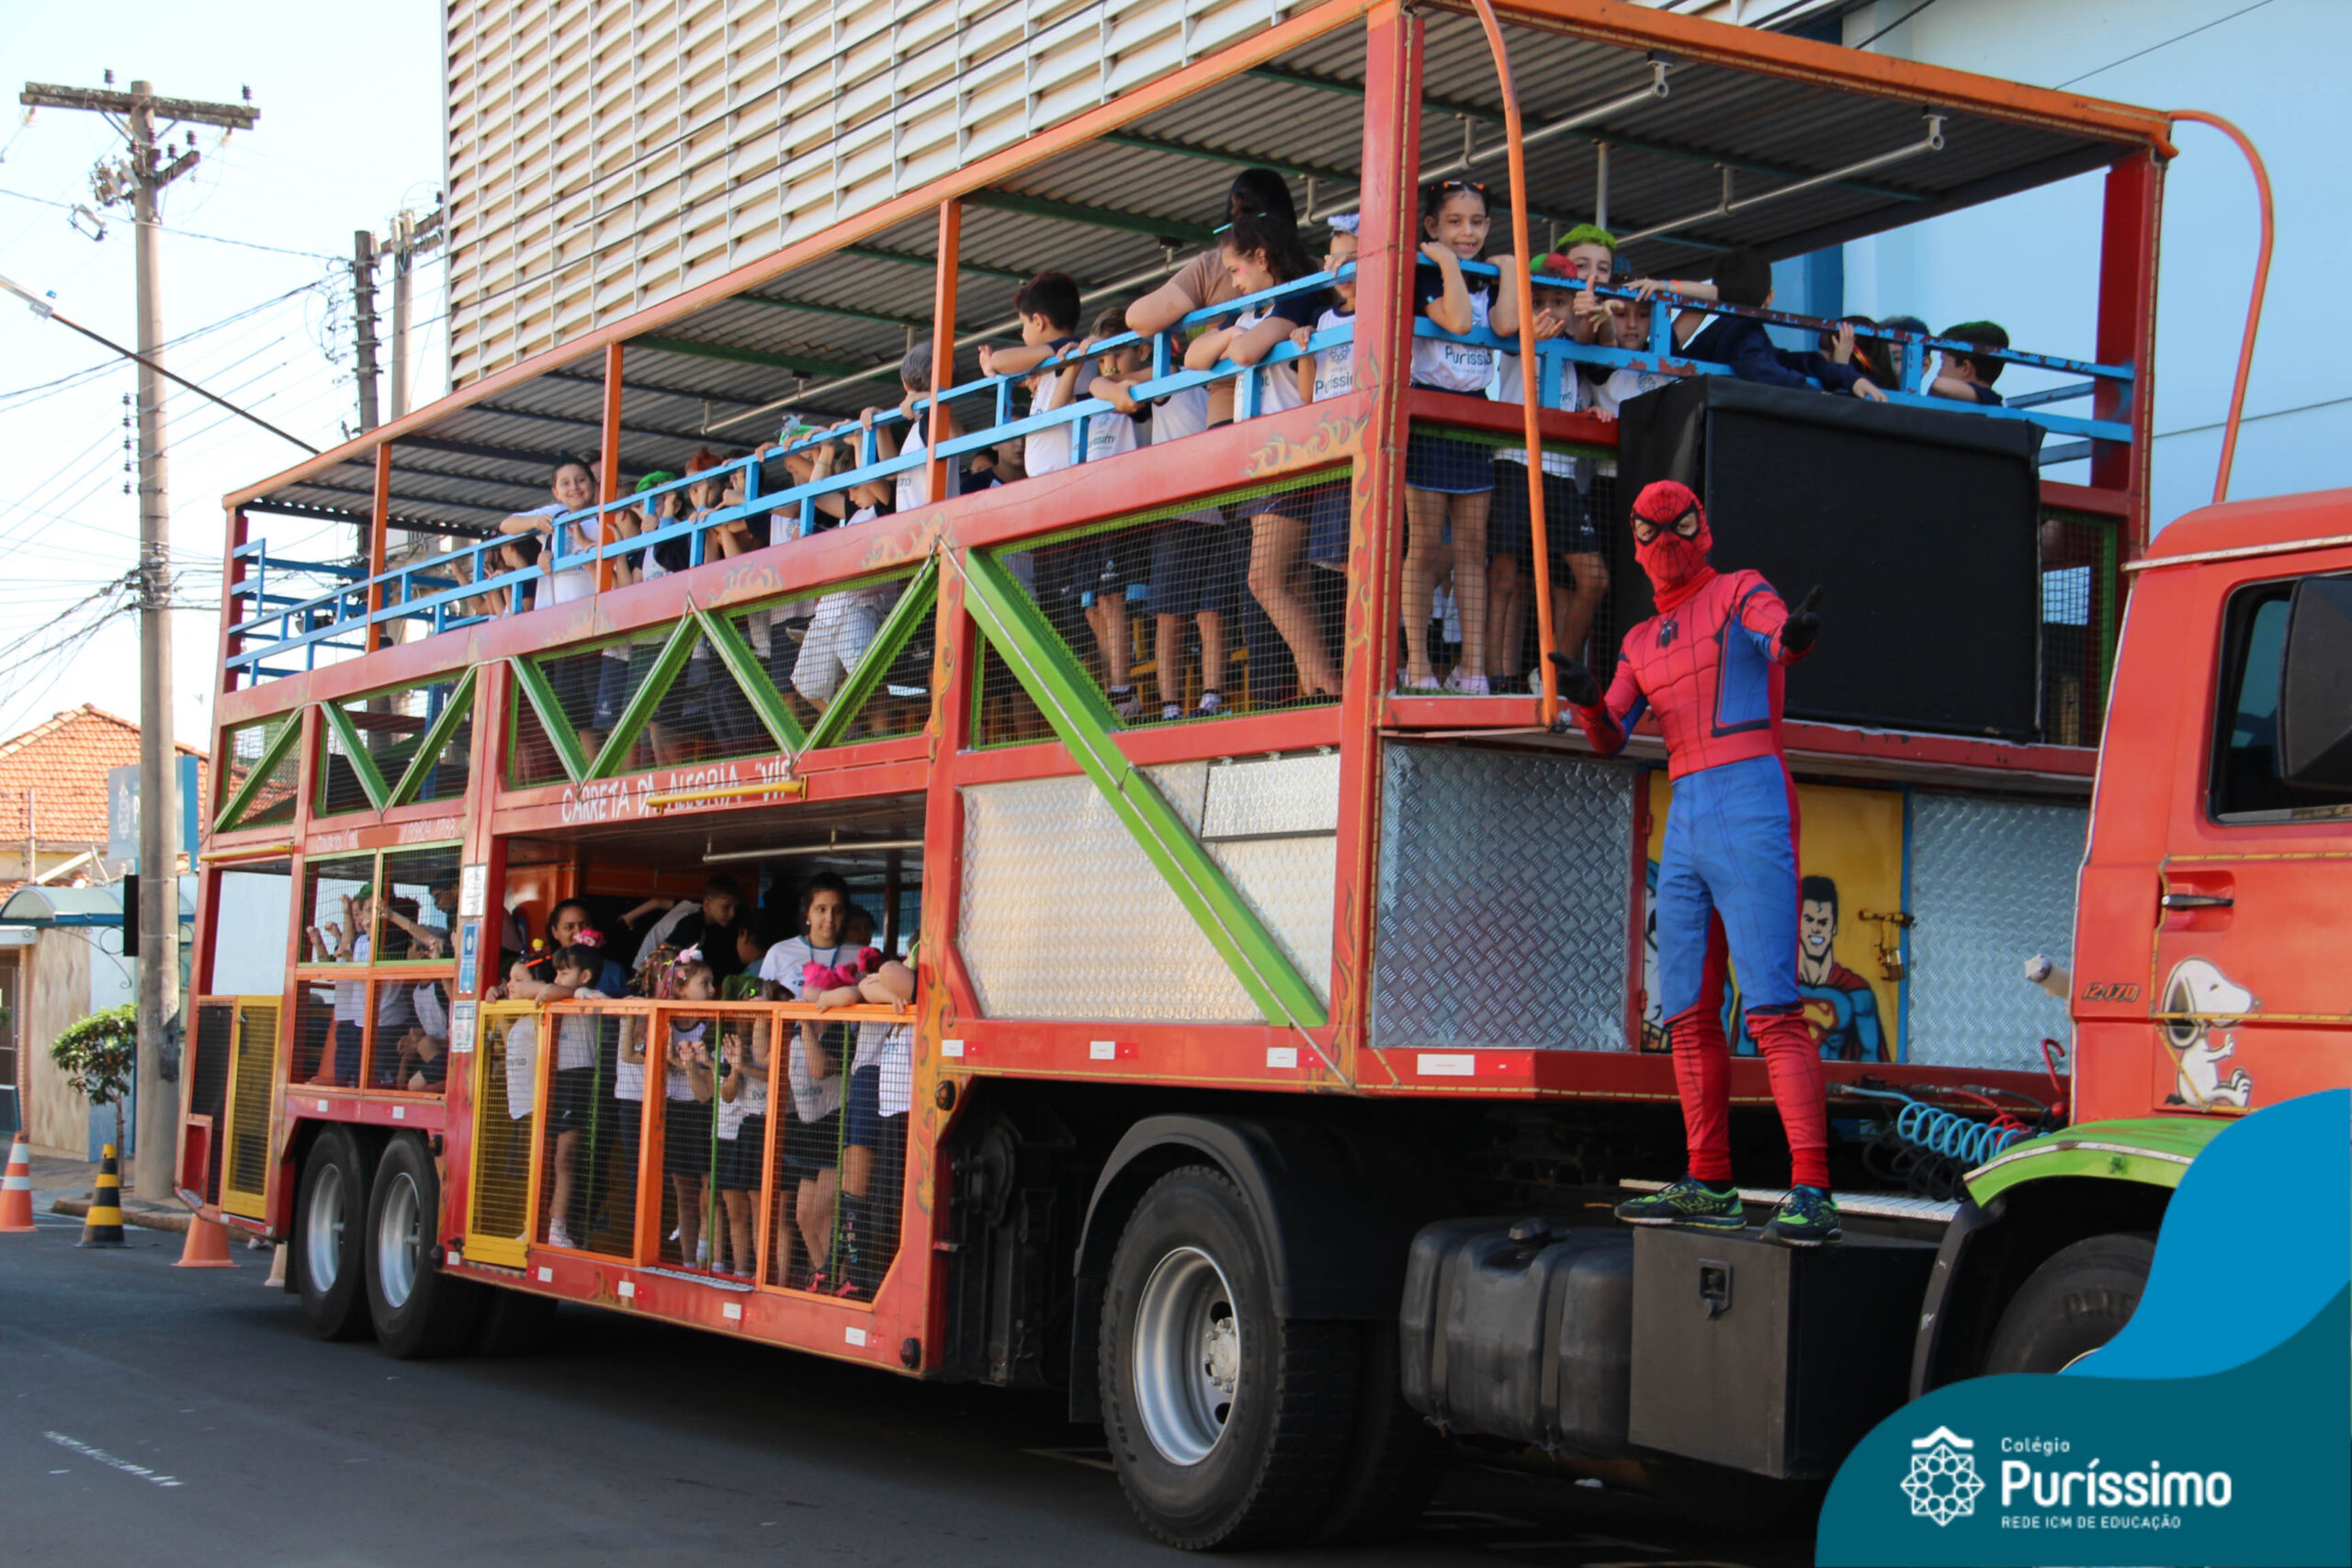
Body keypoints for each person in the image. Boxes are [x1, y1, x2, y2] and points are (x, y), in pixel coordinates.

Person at [1551, 479, 1840, 1247]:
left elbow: (1776, 636)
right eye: (1652, 529)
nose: (1665, 542)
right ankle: (1709, 1177)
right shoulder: (1641, 640)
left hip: (1746, 798)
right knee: (1686, 1011)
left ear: (1700, 527)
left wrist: (1798, 637)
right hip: (1689, 811)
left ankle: (1812, 1185)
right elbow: (1612, 732)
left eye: (1676, 526)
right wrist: (1584, 697)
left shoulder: (1742, 590)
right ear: (1639, 539)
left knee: (1773, 1006)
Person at [1186, 213, 1339, 701]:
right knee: (1290, 579)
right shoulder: (1247, 308)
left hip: (1293, 449)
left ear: (1262, 257)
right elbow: (1194, 357)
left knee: (1264, 579)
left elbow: (1246, 353)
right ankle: (1315, 685)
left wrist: (1233, 341)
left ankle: (1330, 685)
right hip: (1260, 455)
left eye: (1235, 269)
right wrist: (1231, 338)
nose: (1232, 281)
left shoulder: (1297, 296)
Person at [1401, 178, 1520, 695]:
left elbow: (1507, 322)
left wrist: (1511, 268)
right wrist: (1448, 264)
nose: (1466, 232)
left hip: (1474, 414)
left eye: (1476, 222)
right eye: (1454, 222)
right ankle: (1419, 665)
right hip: (1427, 409)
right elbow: (1453, 317)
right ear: (1432, 227)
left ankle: (1474, 668)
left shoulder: (1490, 274)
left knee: (1473, 546)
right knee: (1425, 546)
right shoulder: (1427, 272)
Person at [1488, 238, 1611, 686]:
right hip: (1513, 461)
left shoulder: (1578, 348)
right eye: (1537, 299)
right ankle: (1491, 679)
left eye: (1559, 300)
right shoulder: (1511, 335)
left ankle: (1557, 675)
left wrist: (1588, 413)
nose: (1548, 309)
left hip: (1559, 472)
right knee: (1503, 576)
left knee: (1592, 578)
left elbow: (1587, 381)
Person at [1125, 168, 1300, 430]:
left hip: (1229, 414)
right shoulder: (1312, 267)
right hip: (1293, 415)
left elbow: (1139, 319)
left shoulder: (1214, 266)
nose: (1234, 281)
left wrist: (1220, 343)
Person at [757, 874, 859, 1288]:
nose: (828, 918)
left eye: (836, 910)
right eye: (820, 909)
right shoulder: (780, 954)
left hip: (838, 1092)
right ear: (806, 914)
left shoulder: (860, 955)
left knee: (827, 1211)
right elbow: (763, 1012)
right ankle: (826, 1279)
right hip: (799, 1100)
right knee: (802, 1214)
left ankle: (841, 1283)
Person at [1632, 250, 1885, 400]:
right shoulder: (1742, 329)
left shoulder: (1724, 329)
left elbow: (1787, 362)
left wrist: (1845, 375)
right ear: (1770, 298)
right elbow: (1758, 366)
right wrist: (1815, 396)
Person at [498, 457, 611, 753]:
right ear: (556, 491)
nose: (575, 487)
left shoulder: (605, 517)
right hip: (559, 635)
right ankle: (590, 784)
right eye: (566, 483)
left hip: (596, 628)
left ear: (594, 484)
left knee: (605, 715)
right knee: (576, 717)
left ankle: (610, 782)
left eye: (581, 480)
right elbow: (507, 524)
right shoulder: (555, 515)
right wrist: (536, 524)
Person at [830, 943, 916, 1299]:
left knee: (884, 1190)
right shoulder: (884, 985)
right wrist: (883, 993)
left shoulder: (919, 988)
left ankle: (867, 1272)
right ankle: (849, 1269)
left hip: (895, 1092)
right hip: (871, 1084)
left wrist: (892, 990)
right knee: (855, 1183)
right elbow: (862, 988)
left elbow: (893, 983)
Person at [1296, 216, 1360, 575]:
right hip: (1331, 447)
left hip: (1364, 443)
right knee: (1342, 559)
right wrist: (1306, 348)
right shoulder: (1321, 320)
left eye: (1355, 258)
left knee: (1367, 552)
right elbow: (1308, 395)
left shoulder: (1385, 307)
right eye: (1337, 259)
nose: (1344, 268)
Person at [539, 942, 607, 1251]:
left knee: (565, 1157)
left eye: (564, 972)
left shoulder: (588, 995)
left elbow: (601, 1001)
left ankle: (558, 1227)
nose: (557, 977)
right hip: (554, 1076)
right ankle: (538, 1223)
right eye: (556, 971)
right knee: (546, 1156)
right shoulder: (565, 992)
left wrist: (572, 992)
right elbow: (536, 991)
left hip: (580, 1076)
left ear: (585, 976)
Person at [659, 954, 721, 1268]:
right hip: (675, 1111)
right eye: (704, 984)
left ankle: (708, 1256)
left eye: (712, 983)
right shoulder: (664, 1023)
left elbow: (708, 1086)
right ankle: (687, 1262)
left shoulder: (713, 1026)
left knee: (709, 1192)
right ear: (680, 990)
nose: (712, 990)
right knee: (684, 1192)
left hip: (706, 1112)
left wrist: (686, 1065)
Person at [1796, 876, 1888, 1063]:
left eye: (1823, 922)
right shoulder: (1770, 986)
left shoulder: (1858, 992)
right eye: (1809, 920)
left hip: (1835, 1089)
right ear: (1797, 924)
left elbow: (1872, 1059)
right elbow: (1745, 1053)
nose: (1816, 928)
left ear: (1834, 927)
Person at [711, 999, 770, 1280]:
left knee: (764, 1210)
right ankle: (740, 1269)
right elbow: (727, 1094)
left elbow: (778, 1076)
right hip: (740, 1132)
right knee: (736, 1209)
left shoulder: (783, 1039)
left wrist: (745, 1066)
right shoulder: (734, 1047)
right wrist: (736, 1065)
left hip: (772, 1127)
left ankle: (763, 1273)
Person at [627, 875, 745, 975]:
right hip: (645, 971)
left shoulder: (690, 905)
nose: (732, 914)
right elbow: (661, 955)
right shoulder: (691, 925)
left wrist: (629, 917)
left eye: (736, 908)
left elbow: (658, 902)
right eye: (726, 907)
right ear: (707, 904)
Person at [1928, 321, 2009, 405]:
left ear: (1965, 368)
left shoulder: (1987, 397)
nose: (1939, 373)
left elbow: (1940, 386)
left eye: (1943, 363)